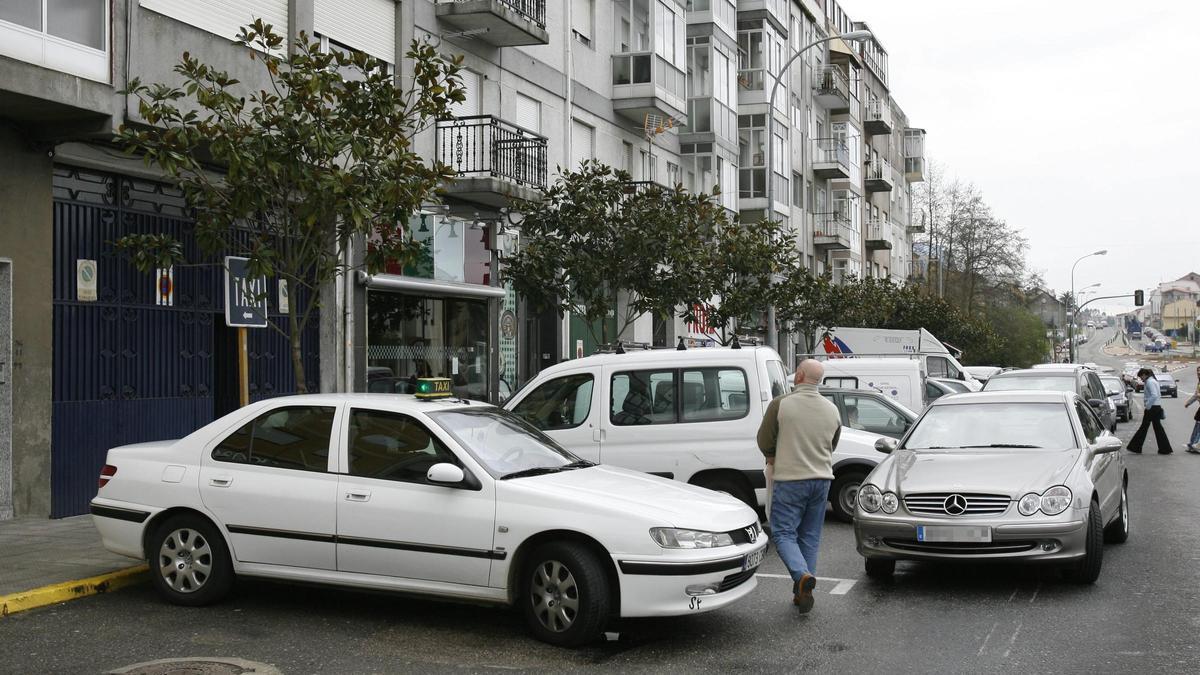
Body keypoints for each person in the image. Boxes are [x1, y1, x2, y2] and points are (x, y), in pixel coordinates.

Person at [757, 359, 841, 614]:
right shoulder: (832, 409)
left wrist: (772, 455)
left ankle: (801, 575)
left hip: (790, 479)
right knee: (810, 536)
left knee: (783, 533)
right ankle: (803, 590)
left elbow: (764, 440)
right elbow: (832, 444)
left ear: (800, 375)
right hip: (822, 480)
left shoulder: (781, 404)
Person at [1128, 367, 1171, 454]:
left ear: (1144, 375)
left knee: (1144, 427)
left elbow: (1154, 395)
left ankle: (1135, 447)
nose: (1141, 379)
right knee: (1158, 428)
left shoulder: (1150, 382)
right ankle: (1165, 448)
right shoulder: (1153, 381)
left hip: (1152, 408)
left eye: (1141, 377)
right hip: (1156, 407)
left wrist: (1148, 405)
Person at [1183, 365, 1200, 454]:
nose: (1198, 373)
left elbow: (1197, 395)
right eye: (1197, 371)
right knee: (1197, 425)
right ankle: (1192, 444)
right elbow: (1195, 394)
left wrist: (1198, 396)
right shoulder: (1199, 382)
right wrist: (1188, 403)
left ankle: (1195, 445)